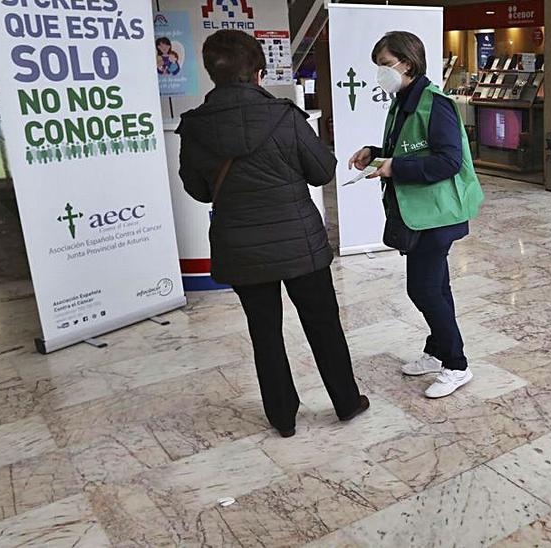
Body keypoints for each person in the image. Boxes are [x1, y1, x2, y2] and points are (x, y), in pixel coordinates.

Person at [176, 30, 369, 438]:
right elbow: (322, 171)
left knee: (264, 332)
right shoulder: (285, 117)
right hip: (301, 243)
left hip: (241, 248)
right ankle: (346, 402)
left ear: (213, 74)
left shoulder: (194, 128)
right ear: (259, 72)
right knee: (323, 324)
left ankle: (283, 417)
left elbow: (198, 190)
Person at [349, 31, 485, 399]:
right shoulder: (403, 100)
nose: (380, 73)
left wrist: (395, 168)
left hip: (435, 215)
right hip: (418, 213)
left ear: (406, 64)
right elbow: (407, 149)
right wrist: (374, 152)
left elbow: (447, 161)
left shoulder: (434, 102)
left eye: (385, 65)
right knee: (437, 286)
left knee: (422, 288)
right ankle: (437, 350)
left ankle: (457, 365)